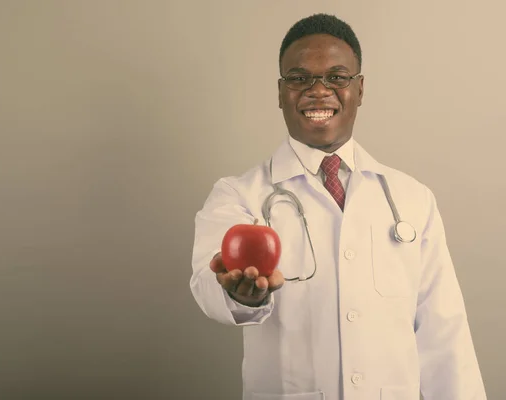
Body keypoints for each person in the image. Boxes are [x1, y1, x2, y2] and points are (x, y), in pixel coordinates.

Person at [189, 13, 486, 400]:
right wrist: (243, 295)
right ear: (280, 93)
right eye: (299, 78)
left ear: (359, 89)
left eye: (337, 77)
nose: (318, 90)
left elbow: (445, 336)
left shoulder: (412, 198)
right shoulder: (238, 196)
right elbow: (207, 283)